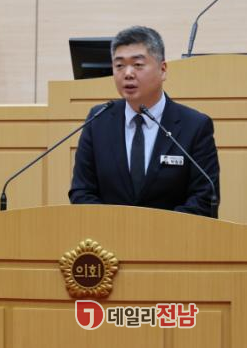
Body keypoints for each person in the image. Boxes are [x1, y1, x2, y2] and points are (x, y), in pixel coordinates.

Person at [69, 26, 220, 217]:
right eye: (119, 65)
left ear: (162, 70)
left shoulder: (195, 126)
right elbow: (81, 191)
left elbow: (204, 198)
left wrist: (152, 229)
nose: (128, 73)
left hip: (173, 235)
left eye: (138, 64)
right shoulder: (98, 120)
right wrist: (114, 227)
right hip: (108, 234)